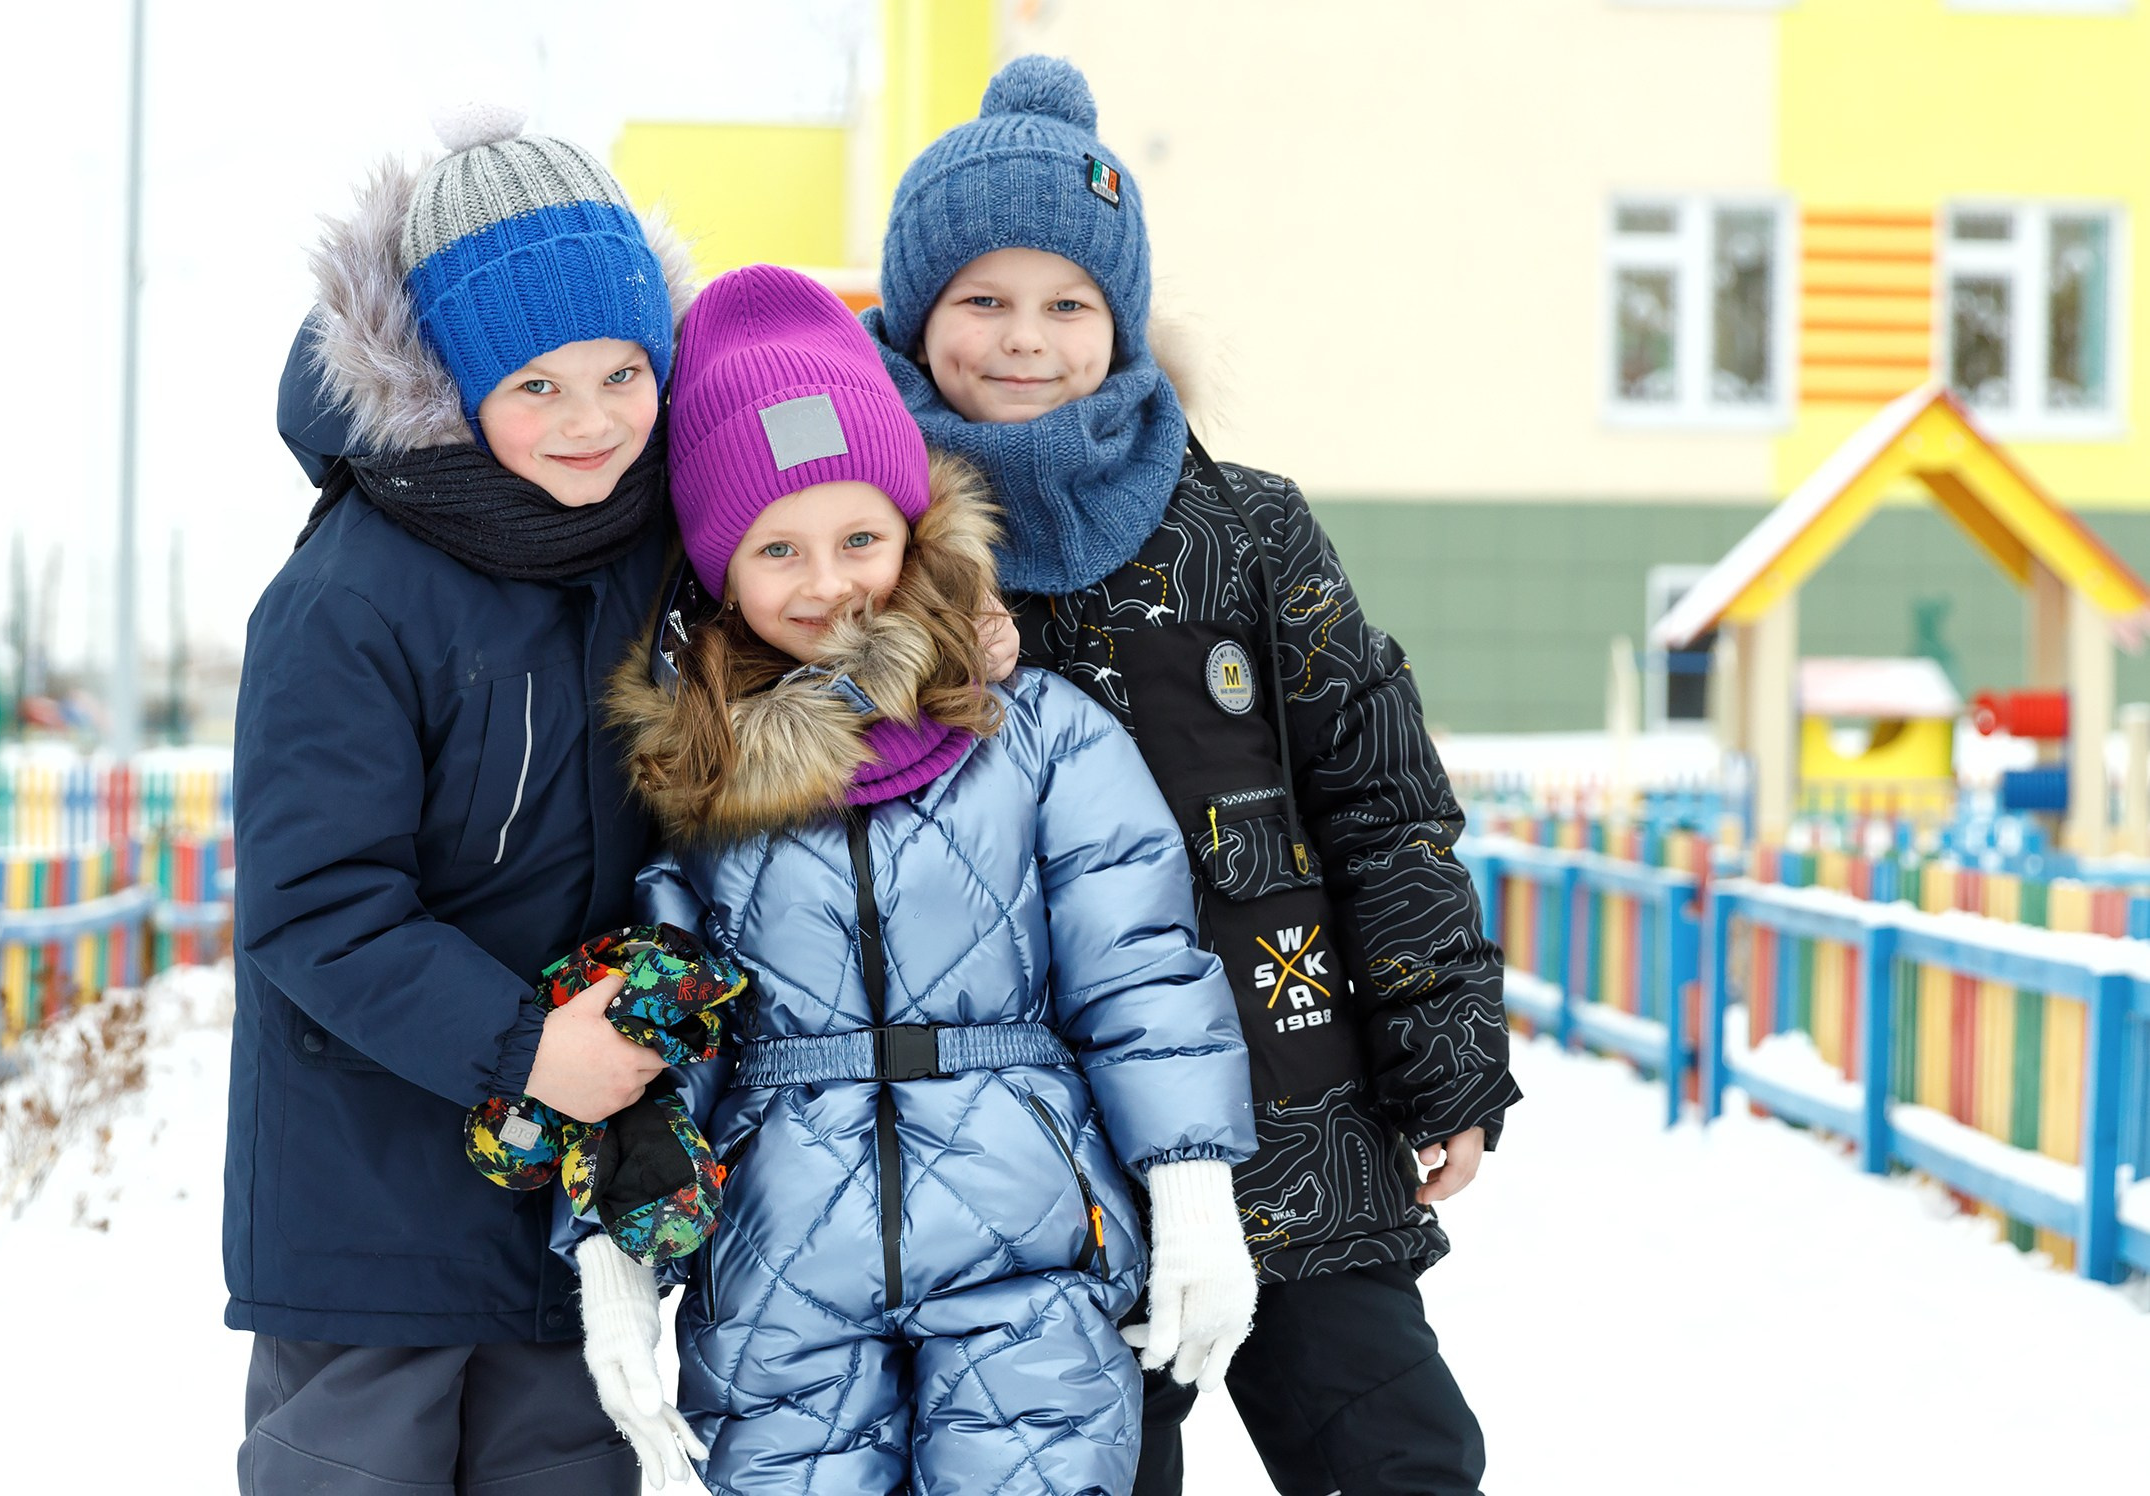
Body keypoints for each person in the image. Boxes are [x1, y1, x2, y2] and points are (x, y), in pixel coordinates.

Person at [863, 56, 1525, 1496]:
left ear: (1121, 318)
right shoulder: (873, 547)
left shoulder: (1246, 530)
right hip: (1045, 1162)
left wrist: (1443, 1055)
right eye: (983, 300)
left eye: (1067, 304)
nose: (1026, 340)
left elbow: (1381, 803)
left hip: (1295, 1115)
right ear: (917, 315)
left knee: (1400, 1454)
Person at [572, 263, 1260, 1496]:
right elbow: (661, 1019)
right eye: (777, 547)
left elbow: (1140, 961)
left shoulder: (1037, 731)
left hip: (1029, 1248)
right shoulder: (696, 778)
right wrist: (617, 1253)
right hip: (781, 1269)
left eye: (858, 537)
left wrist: (1195, 1180)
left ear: (914, 530)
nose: (828, 580)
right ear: (723, 573)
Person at [224, 106, 698, 1495]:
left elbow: (839, 521)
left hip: (571, 1230)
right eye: (535, 383)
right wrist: (523, 1049)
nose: (592, 420)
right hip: (367, 1234)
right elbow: (316, 906)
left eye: (622, 373)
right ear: (447, 378)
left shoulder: (659, 549)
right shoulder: (350, 597)